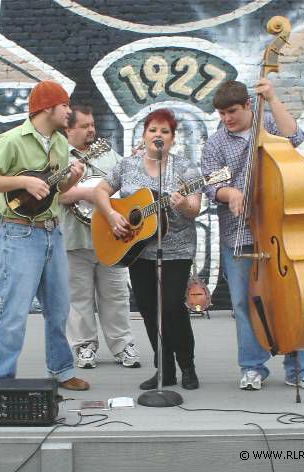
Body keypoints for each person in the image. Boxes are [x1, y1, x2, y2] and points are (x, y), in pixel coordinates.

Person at [201, 79, 304, 391]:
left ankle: (299, 368)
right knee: (245, 303)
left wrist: (271, 98)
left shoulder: (269, 124)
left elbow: (295, 136)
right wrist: (229, 192)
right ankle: (252, 367)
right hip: (240, 235)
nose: (226, 118)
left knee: (294, 297)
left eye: (231, 111)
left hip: (280, 233)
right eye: (221, 113)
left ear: (247, 105)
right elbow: (210, 183)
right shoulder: (216, 144)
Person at [0, 80, 89, 391]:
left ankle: (62, 370)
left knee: (59, 309)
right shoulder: (11, 141)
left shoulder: (61, 144)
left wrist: (72, 179)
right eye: (65, 105)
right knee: (13, 313)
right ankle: (0, 379)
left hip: (53, 231)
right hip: (19, 235)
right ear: (47, 108)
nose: (69, 111)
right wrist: (23, 182)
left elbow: (58, 190)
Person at [94, 108, 201, 390]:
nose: (158, 135)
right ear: (144, 135)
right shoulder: (127, 166)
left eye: (165, 131)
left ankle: (187, 365)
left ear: (173, 139)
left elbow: (195, 209)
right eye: (153, 130)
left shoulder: (186, 169)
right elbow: (99, 192)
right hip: (137, 250)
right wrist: (112, 215)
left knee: (172, 308)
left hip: (176, 250)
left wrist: (183, 205)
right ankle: (163, 369)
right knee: (148, 308)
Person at [58, 105, 140, 369]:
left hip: (109, 239)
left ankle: (122, 345)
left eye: (92, 124)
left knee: (116, 295)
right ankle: (84, 346)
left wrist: (135, 161)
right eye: (84, 126)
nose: (91, 129)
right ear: (68, 129)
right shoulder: (59, 156)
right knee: (78, 297)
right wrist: (89, 192)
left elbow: (124, 184)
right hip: (74, 238)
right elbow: (57, 194)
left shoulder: (107, 154)